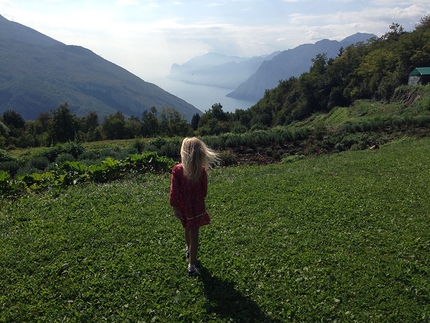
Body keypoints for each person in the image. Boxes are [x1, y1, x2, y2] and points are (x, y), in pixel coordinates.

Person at [169, 137, 218, 276]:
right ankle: (192, 266)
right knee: (194, 233)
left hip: (183, 206)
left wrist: (175, 207)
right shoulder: (201, 170)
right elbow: (204, 189)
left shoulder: (178, 170)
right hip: (196, 206)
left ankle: (188, 249)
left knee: (186, 227)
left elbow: (174, 190)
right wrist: (201, 196)